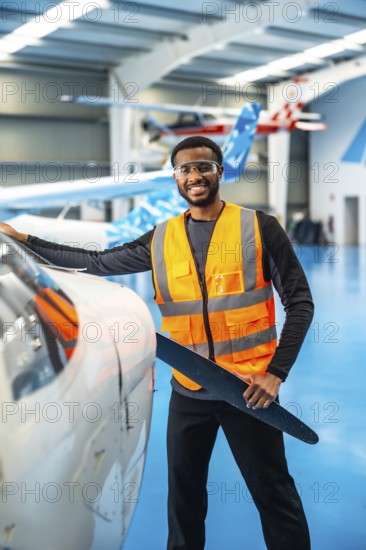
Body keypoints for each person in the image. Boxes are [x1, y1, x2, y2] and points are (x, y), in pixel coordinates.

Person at [0, 135, 314, 550]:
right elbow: (96, 262)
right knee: (183, 500)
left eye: (203, 166)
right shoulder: (161, 238)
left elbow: (300, 302)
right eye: (184, 169)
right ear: (176, 178)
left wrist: (275, 374)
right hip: (189, 390)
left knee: (273, 495)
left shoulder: (259, 227)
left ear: (219, 172)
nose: (194, 175)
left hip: (248, 391)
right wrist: (25, 241)